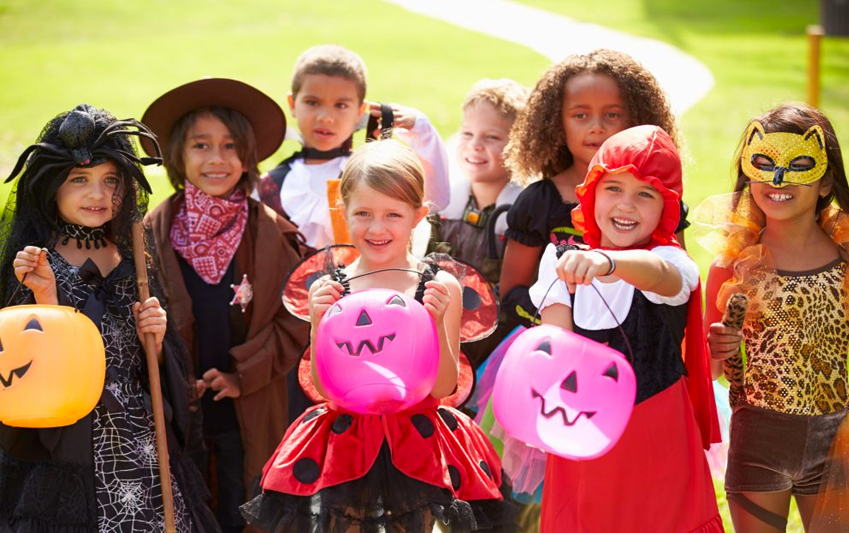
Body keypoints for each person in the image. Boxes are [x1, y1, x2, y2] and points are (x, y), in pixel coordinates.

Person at [242, 140, 515, 532]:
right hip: (347, 439)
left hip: (416, 441)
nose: (376, 227)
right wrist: (319, 321)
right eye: (363, 213)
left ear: (418, 215)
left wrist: (436, 321)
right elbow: (323, 386)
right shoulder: (334, 288)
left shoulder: (438, 287)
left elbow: (444, 386)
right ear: (344, 211)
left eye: (393, 214)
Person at [0, 104, 219, 532]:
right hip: (69, 440)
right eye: (80, 180)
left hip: (138, 433)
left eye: (110, 181)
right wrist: (44, 293)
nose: (98, 195)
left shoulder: (133, 254)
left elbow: (155, 364)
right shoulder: (35, 260)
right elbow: (24, 365)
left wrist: (153, 339)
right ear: (50, 187)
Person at [531, 125, 722, 532]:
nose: (627, 205)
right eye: (613, 188)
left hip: (657, 443)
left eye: (645, 194)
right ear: (592, 193)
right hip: (583, 435)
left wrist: (609, 263)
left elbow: (660, 277)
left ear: (666, 208)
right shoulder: (560, 260)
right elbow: (557, 349)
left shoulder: (673, 261)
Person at [140, 79, 309, 533]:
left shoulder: (272, 234)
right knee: (184, 508)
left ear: (248, 156)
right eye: (201, 145)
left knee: (242, 506)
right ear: (178, 155)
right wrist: (173, 373)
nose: (217, 159)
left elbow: (295, 319)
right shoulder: (150, 234)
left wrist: (242, 376)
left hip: (248, 404)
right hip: (178, 409)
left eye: (230, 146)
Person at [703, 104, 849, 532]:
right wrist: (717, 350)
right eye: (765, 165)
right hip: (758, 442)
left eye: (799, 167)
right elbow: (709, 368)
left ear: (826, 179)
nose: (778, 181)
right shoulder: (733, 266)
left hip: (836, 446)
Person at [499, 49, 688, 329]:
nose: (597, 127)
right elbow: (512, 292)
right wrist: (569, 317)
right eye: (580, 115)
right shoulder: (539, 201)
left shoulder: (661, 199)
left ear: (636, 118)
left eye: (612, 114)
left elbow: (680, 287)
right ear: (555, 123)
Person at [257, 43, 449, 250]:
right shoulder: (270, 185)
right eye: (312, 102)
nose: (325, 118)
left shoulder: (373, 171)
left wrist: (421, 128)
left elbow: (436, 199)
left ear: (360, 110)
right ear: (293, 104)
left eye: (341, 105)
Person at [432, 78, 529, 284]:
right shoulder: (446, 206)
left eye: (492, 137)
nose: (474, 145)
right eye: (467, 133)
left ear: (519, 144)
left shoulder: (525, 214)